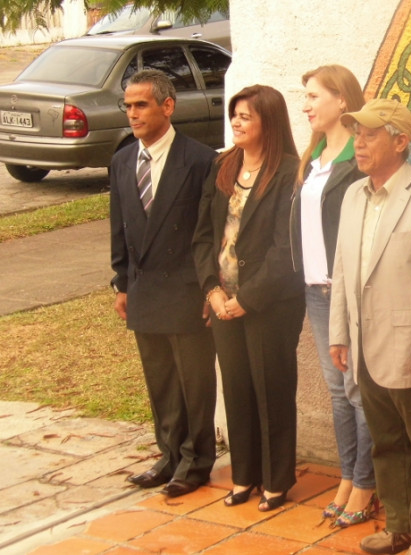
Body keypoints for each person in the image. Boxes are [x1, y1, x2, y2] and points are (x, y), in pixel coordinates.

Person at [329, 98, 411, 555]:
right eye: (356, 135)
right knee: (385, 443)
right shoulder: (352, 195)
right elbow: (342, 268)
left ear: (400, 141)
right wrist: (339, 333)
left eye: (370, 135)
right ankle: (399, 526)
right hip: (366, 343)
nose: (359, 144)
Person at [193, 85, 305, 512]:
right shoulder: (222, 165)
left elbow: (286, 247)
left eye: (246, 117)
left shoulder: (290, 172)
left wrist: (249, 298)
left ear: (268, 123)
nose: (236, 123)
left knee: (271, 388)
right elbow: (204, 235)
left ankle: (276, 481)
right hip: (223, 301)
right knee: (237, 388)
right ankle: (244, 475)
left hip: (270, 304)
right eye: (234, 115)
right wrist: (212, 289)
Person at [110, 69, 217, 498]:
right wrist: (121, 283)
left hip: (188, 291)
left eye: (141, 105)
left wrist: (210, 288)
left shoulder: (201, 160)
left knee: (194, 383)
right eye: (128, 106)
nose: (133, 113)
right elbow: (120, 228)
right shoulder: (121, 161)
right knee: (161, 382)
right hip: (144, 290)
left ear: (167, 106)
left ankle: (196, 462)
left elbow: (209, 232)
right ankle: (169, 456)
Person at [290, 64, 376, 527]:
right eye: (304, 96)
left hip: (348, 293)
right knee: (338, 392)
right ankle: (347, 476)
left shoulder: (356, 160)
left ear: (342, 100)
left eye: (313, 95)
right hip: (315, 292)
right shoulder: (314, 158)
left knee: (359, 392)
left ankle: (366, 483)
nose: (305, 105)